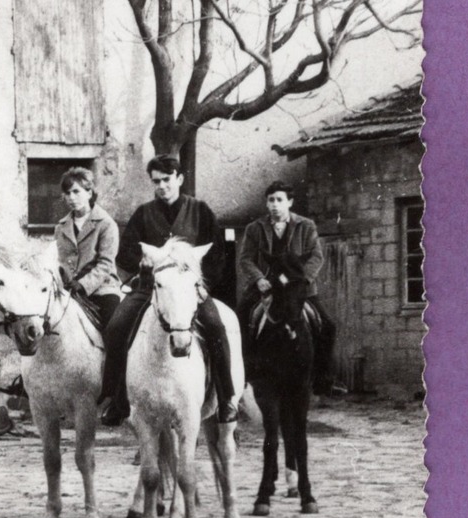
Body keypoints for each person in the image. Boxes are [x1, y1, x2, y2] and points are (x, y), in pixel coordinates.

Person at [99, 155, 239, 427]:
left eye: (167, 180)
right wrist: (140, 262)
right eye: (156, 182)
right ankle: (116, 399)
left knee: (215, 326)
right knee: (116, 326)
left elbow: (217, 255)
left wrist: (200, 282)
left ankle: (226, 398)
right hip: (150, 287)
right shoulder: (143, 213)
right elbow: (124, 253)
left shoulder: (201, 211)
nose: (162, 186)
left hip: (189, 289)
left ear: (179, 179)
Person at [237, 180, 339, 392]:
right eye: (271, 200)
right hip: (265, 288)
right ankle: (245, 372)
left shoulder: (306, 226)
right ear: (266, 204)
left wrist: (301, 282)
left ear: (290, 202)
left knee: (327, 325)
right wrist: (258, 279)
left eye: (279, 200)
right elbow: (246, 259)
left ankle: (323, 379)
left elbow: (316, 256)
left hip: (297, 289)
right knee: (241, 318)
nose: (275, 205)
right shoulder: (254, 228)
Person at [51, 166, 122, 331]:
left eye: (76, 192)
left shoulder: (106, 224)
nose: (71, 197)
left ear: (89, 193)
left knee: (113, 328)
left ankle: (114, 357)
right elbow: (57, 261)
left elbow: (105, 264)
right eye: (67, 193)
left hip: (101, 289)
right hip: (68, 291)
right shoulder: (60, 228)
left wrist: (83, 285)